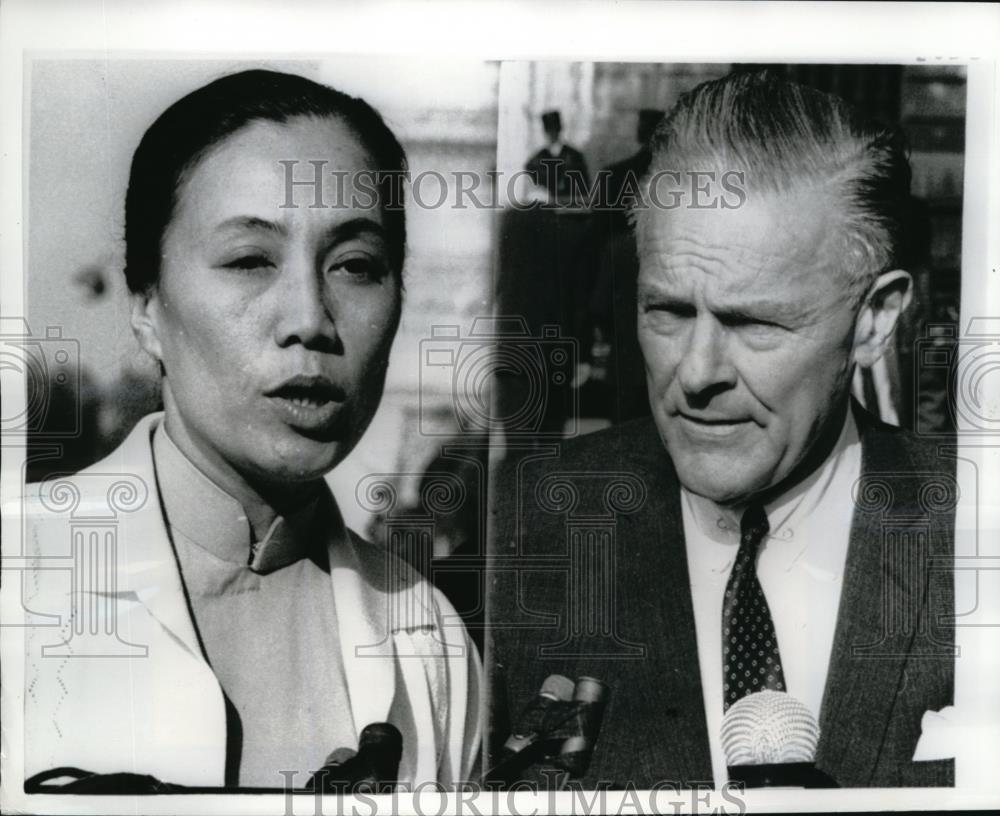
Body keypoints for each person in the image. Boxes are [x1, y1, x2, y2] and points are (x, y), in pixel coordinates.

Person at [489, 72, 955, 788]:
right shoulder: (533, 523)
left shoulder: (972, 531)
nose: (697, 372)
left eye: (754, 322)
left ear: (876, 319)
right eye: (667, 311)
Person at [22, 69, 480, 790]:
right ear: (146, 304)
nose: (309, 319)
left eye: (356, 265)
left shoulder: (431, 642)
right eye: (249, 260)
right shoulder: (21, 577)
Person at [524, 110, 590, 206]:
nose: (552, 134)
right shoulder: (535, 161)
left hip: (571, 210)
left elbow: (584, 190)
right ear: (545, 132)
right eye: (549, 130)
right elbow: (531, 190)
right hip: (545, 210)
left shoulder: (575, 156)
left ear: (560, 129)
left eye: (555, 130)